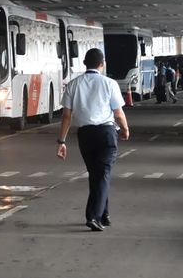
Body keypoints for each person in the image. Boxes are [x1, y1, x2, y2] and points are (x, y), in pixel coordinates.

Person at [57, 48, 130, 232]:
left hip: (85, 135)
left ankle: (104, 214)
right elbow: (118, 113)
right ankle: (93, 217)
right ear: (102, 64)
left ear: (84, 63)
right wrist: (125, 129)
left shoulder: (73, 84)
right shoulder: (109, 83)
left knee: (96, 174)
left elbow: (66, 116)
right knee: (102, 173)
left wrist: (62, 142)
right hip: (106, 134)